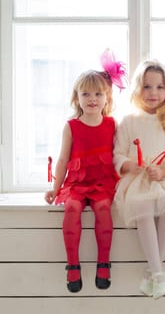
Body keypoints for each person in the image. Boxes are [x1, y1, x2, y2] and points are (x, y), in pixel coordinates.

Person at [113, 60, 165, 299]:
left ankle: (154, 269)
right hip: (138, 178)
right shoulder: (128, 122)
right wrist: (131, 165)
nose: (153, 93)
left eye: (159, 87)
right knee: (143, 207)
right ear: (138, 89)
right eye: (147, 87)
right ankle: (158, 271)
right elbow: (117, 154)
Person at [45, 50, 126, 293]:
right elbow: (62, 160)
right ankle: (72, 265)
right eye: (86, 94)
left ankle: (104, 262)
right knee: (71, 208)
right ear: (76, 98)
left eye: (98, 93)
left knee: (102, 208)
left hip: (103, 182)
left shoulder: (113, 124)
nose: (92, 99)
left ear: (107, 97)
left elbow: (120, 156)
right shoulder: (71, 127)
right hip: (78, 184)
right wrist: (55, 188)